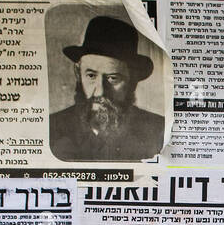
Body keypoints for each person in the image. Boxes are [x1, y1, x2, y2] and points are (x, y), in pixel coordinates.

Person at [49, 15, 164, 161]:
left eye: (113, 78)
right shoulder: (51, 128)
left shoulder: (158, 130)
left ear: (133, 81)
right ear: (78, 74)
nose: (101, 91)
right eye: (91, 76)